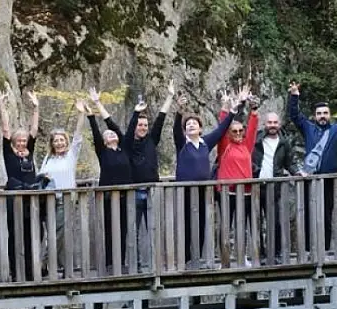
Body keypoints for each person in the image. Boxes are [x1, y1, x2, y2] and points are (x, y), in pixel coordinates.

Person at [173, 88, 249, 267]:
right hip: (185, 191)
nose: (191, 125)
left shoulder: (205, 143)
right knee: (186, 225)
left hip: (203, 192)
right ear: (185, 130)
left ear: (200, 128)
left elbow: (222, 129)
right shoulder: (182, 143)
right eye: (188, 124)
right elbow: (176, 129)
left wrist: (233, 110)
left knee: (200, 225)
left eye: (194, 124)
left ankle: (197, 259)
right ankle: (184, 260)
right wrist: (179, 112)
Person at [287, 82, 337, 252]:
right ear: (314, 116)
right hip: (309, 178)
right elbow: (295, 116)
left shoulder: (336, 130)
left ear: (330, 115)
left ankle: (325, 250)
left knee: (326, 216)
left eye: (325, 113)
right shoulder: (308, 128)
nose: (322, 116)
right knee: (307, 215)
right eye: (319, 113)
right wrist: (294, 95)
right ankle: (306, 251)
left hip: (328, 179)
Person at [87, 88, 135, 271]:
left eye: (112, 134)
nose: (111, 135)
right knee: (109, 228)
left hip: (125, 196)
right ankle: (108, 263)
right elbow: (96, 135)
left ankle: (121, 262)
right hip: (107, 195)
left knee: (123, 230)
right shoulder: (103, 152)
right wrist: (91, 115)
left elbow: (114, 126)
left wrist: (99, 103)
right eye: (107, 135)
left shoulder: (124, 149)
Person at [38, 103, 86, 273]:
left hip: (64, 199)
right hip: (48, 200)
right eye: (56, 140)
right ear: (52, 143)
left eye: (61, 140)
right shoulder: (48, 159)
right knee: (56, 232)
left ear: (66, 141)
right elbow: (40, 176)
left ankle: (44, 264)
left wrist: (81, 114)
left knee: (58, 233)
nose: (59, 143)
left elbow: (78, 137)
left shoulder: (70, 156)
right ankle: (64, 267)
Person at [0, 90, 41, 280]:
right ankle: (16, 271)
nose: (23, 143)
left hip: (31, 197)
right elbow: (6, 131)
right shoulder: (9, 153)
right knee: (15, 235)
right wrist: (2, 107)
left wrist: (36, 108)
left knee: (33, 234)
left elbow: (34, 131)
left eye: (24, 140)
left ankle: (32, 270)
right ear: (15, 141)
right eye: (19, 140)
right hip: (14, 197)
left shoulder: (29, 153)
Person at [214, 89, 259, 266]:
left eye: (241, 131)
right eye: (235, 131)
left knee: (243, 226)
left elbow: (253, 129)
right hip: (227, 193)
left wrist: (253, 110)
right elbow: (222, 126)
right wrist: (226, 109)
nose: (238, 134)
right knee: (225, 227)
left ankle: (242, 257)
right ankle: (224, 260)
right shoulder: (224, 145)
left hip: (246, 192)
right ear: (230, 133)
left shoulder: (246, 145)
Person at [252, 111, 301, 262]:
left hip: (275, 186)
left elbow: (289, 162)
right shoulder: (256, 139)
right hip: (256, 185)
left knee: (275, 221)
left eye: (275, 123)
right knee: (255, 221)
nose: (272, 126)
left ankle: (276, 253)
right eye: (269, 123)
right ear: (265, 124)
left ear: (279, 124)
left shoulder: (284, 142)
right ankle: (259, 254)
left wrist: (297, 172)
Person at [126, 82, 174, 237]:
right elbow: (129, 129)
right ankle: (136, 262)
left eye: (145, 125)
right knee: (133, 231)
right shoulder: (128, 144)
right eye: (140, 125)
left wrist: (170, 96)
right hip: (134, 192)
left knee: (155, 230)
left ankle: (155, 261)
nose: (143, 127)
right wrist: (136, 113)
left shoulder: (152, 140)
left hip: (152, 190)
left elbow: (160, 119)